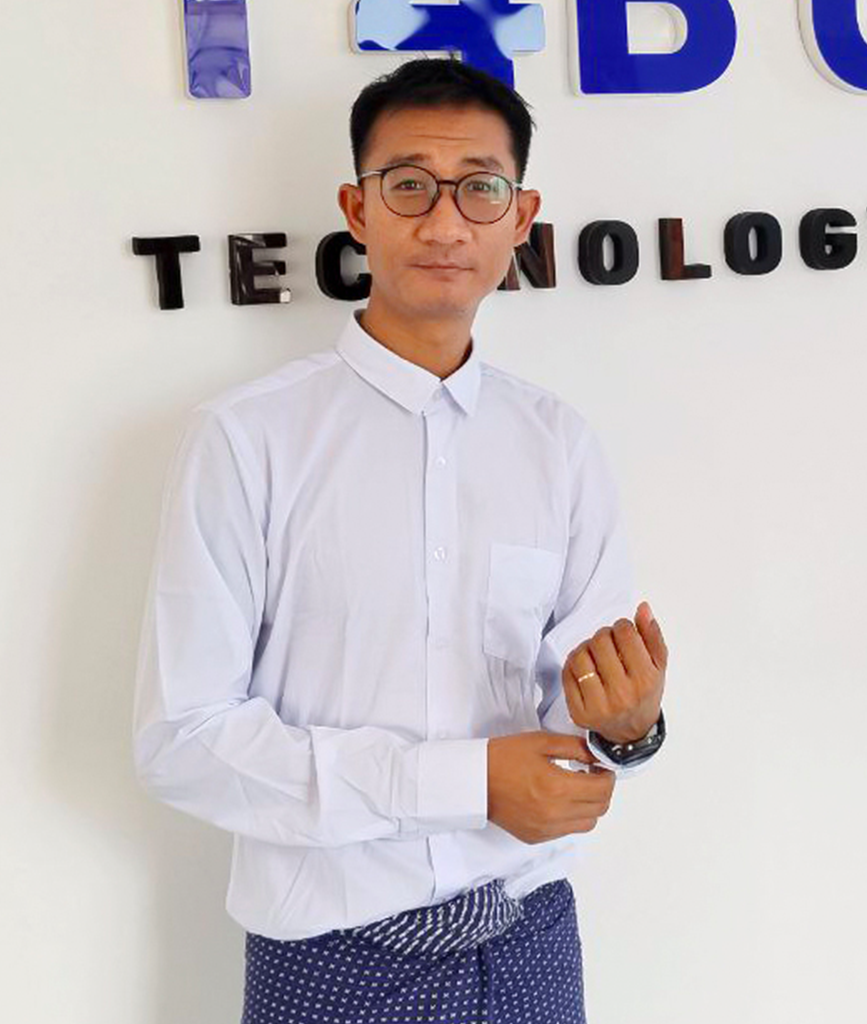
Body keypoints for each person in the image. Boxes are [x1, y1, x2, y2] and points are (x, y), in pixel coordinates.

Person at [132, 54, 669, 1024]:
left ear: (521, 216)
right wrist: (465, 782)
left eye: (480, 189)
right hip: (332, 957)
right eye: (409, 184)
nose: (445, 222)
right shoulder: (246, 440)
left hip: (531, 943)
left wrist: (629, 730)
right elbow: (184, 737)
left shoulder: (558, 443)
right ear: (358, 207)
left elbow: (585, 718)